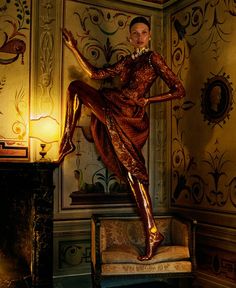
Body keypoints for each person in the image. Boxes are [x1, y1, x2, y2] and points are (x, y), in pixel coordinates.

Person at [59, 16, 185, 261]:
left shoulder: (153, 58)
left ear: (149, 35)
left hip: (132, 118)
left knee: (134, 174)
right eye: (135, 33)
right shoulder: (128, 60)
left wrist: (149, 100)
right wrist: (74, 47)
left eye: (144, 32)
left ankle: (152, 233)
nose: (139, 36)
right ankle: (67, 140)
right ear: (129, 37)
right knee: (76, 87)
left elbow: (179, 89)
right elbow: (96, 74)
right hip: (115, 105)